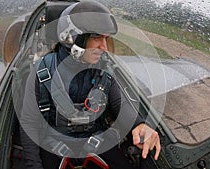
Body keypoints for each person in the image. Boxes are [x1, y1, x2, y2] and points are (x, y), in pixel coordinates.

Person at [19, 1, 161, 168]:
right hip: (53, 145)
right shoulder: (42, 72)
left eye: (106, 38)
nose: (104, 47)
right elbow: (29, 122)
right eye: (96, 37)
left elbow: (119, 103)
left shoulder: (103, 69)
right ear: (71, 38)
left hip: (94, 141)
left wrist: (140, 124)